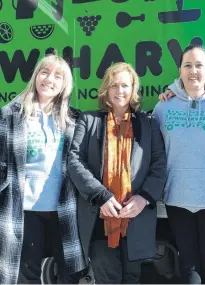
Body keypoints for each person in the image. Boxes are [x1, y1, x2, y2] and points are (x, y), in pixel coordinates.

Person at [67, 62, 167, 284]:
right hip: (99, 217)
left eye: (125, 85)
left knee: (132, 277)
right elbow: (75, 160)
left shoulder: (148, 123)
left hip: (136, 217)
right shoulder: (89, 120)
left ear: (133, 89)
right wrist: (100, 196)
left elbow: (159, 164)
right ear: (106, 89)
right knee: (106, 277)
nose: (119, 91)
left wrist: (144, 198)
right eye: (114, 85)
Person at [0, 54, 86, 284]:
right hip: (25, 209)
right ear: (36, 76)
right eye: (44, 72)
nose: (49, 79)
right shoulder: (10, 114)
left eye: (58, 76)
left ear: (64, 84)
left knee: (71, 274)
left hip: (63, 207)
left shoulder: (73, 119)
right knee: (26, 276)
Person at [153, 44, 205, 284]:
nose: (193, 70)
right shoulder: (163, 107)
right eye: (188, 65)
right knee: (187, 264)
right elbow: (154, 153)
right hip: (177, 199)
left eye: (199, 65)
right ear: (180, 71)